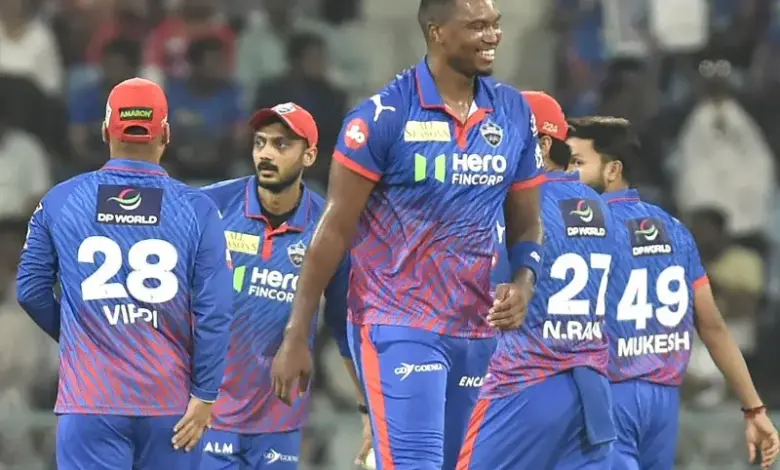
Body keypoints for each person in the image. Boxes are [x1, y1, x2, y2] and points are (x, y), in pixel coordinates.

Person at [271, 0, 546, 468]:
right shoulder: (383, 116)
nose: (492, 36)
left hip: (477, 327)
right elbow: (333, 230)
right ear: (437, 32)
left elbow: (527, 219)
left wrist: (524, 281)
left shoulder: (514, 111)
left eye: (495, 25)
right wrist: (297, 334)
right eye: (477, 26)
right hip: (397, 320)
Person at [16, 77, 234, 469]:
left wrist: (81, 335)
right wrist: (205, 394)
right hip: (170, 404)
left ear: (105, 131)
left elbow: (30, 290)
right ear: (165, 133)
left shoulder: (61, 200)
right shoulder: (199, 210)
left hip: (90, 400)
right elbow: (215, 312)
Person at [567, 116, 780, 470]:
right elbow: (712, 325)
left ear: (613, 170)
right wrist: (753, 407)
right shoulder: (676, 229)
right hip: (663, 403)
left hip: (610, 395)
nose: (566, 173)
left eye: (576, 162)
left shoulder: (581, 230)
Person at [457, 92, 616, 469]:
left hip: (520, 387)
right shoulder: (599, 206)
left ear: (542, 145)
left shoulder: (512, 204)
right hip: (590, 396)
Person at [199, 102, 352, 469]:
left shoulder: (327, 228)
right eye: (260, 142)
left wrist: (366, 408)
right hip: (208, 413)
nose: (266, 153)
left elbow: (344, 323)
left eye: (281, 144)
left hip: (280, 419)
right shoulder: (212, 206)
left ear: (309, 155)